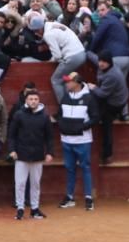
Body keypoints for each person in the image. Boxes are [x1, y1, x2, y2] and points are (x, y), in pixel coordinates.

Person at [7, 87, 51, 220]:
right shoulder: (19, 115)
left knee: (35, 183)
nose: (33, 101)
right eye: (31, 99)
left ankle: (34, 208)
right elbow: (11, 135)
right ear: (26, 100)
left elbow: (49, 137)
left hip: (37, 155)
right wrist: (12, 150)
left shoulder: (44, 116)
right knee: (20, 183)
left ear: (39, 101)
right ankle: (20, 208)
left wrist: (49, 152)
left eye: (36, 99)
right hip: (21, 155)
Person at [57, 71, 97, 211]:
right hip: (66, 140)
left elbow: (95, 118)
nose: (67, 83)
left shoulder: (89, 98)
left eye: (69, 81)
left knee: (85, 168)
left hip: (83, 140)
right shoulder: (65, 97)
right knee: (70, 169)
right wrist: (62, 126)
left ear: (77, 83)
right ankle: (69, 197)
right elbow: (59, 114)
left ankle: (88, 198)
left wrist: (81, 127)